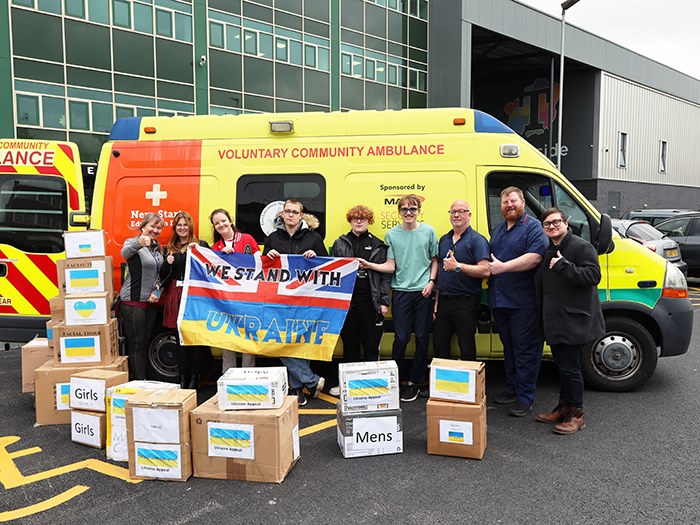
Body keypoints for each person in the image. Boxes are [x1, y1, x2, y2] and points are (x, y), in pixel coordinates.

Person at [361, 194, 438, 402]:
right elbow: (391, 266)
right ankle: (395, 381)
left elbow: (434, 260)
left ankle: (414, 382)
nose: (409, 213)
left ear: (419, 211)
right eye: (404, 209)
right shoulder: (392, 235)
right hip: (401, 292)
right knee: (401, 338)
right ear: (399, 212)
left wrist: (431, 282)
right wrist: (369, 265)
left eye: (412, 209)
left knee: (422, 338)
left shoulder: (429, 231)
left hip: (423, 292)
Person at [535, 207, 604, 434]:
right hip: (556, 320)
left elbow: (593, 276)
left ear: (566, 223)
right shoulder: (551, 248)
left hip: (574, 320)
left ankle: (577, 414)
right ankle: (563, 407)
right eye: (547, 224)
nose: (552, 226)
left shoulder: (580, 247)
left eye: (556, 222)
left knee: (571, 368)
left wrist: (564, 266)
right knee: (563, 367)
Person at [488, 186, 548, 417]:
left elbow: (535, 257)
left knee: (525, 351)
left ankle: (525, 397)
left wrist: (503, 267)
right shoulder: (499, 229)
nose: (509, 205)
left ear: (522, 202)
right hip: (500, 301)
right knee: (510, 349)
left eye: (513, 201)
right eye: (505, 202)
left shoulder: (533, 227)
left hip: (523, 302)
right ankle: (512, 389)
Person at [263, 199, 326, 406]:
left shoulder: (314, 238)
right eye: (287, 211)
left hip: (306, 299)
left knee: (301, 343)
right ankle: (311, 380)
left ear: (301, 215)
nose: (290, 215)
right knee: (280, 343)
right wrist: (268, 257)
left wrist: (315, 257)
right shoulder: (272, 238)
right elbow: (262, 271)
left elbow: (327, 265)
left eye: (295, 212)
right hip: (280, 300)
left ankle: (297, 389)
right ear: (282, 214)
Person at [329, 205, 391, 396]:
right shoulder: (339, 243)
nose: (358, 221)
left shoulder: (379, 245)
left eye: (362, 218)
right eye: (355, 218)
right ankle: (348, 386)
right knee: (350, 347)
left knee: (372, 347)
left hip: (370, 303)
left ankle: (370, 386)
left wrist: (384, 301)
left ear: (368, 221)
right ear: (350, 221)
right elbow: (331, 272)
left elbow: (385, 277)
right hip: (346, 303)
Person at [433, 200, 490, 361]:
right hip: (444, 301)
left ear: (469, 215)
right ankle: (443, 385)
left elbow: (486, 270)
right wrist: (437, 301)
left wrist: (458, 266)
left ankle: (469, 385)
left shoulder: (477, 240)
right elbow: (440, 274)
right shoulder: (444, 239)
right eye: (453, 212)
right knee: (440, 346)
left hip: (466, 302)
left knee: (466, 347)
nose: (456, 215)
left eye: (461, 211)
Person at [159, 211, 210, 389]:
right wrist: (168, 263)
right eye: (179, 225)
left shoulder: (201, 245)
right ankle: (182, 378)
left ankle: (194, 379)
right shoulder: (169, 248)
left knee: (194, 338)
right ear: (175, 228)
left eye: (185, 224)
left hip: (195, 294)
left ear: (190, 227)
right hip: (175, 293)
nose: (182, 228)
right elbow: (163, 276)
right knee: (179, 339)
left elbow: (211, 268)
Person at [210, 208, 260, 372]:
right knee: (227, 340)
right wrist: (221, 256)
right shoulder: (216, 247)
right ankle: (228, 377)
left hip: (248, 299)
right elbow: (211, 272)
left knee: (247, 340)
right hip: (226, 301)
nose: (221, 224)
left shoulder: (247, 238)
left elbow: (259, 262)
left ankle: (248, 375)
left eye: (223, 220)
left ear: (230, 221)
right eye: (216, 223)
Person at [120, 212, 164, 380]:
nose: (155, 230)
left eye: (159, 228)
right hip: (133, 301)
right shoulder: (133, 242)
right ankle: (140, 382)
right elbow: (125, 253)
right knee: (137, 344)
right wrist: (139, 243)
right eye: (152, 226)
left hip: (150, 302)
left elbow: (160, 274)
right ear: (144, 226)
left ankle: (143, 378)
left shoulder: (157, 247)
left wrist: (157, 291)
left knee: (146, 342)